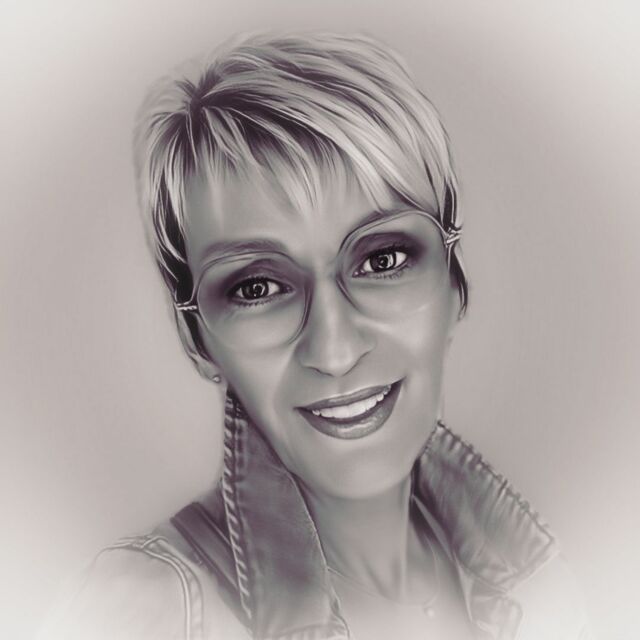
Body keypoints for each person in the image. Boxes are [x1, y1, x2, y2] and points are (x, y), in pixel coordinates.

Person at [39, 30, 592, 640]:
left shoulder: (551, 581)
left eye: (382, 259)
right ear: (196, 337)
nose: (335, 350)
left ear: (453, 281)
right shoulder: (144, 611)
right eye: (257, 288)